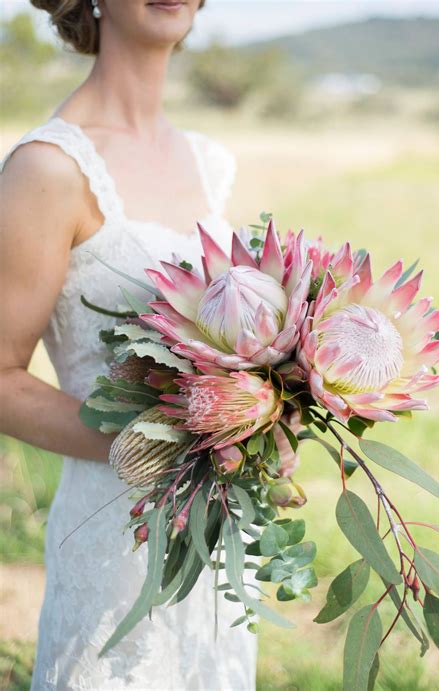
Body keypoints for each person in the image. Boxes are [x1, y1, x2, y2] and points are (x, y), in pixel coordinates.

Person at [0, 1, 257, 688]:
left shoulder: (210, 163)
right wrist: (156, 437)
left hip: (219, 536)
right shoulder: (49, 167)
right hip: (115, 536)